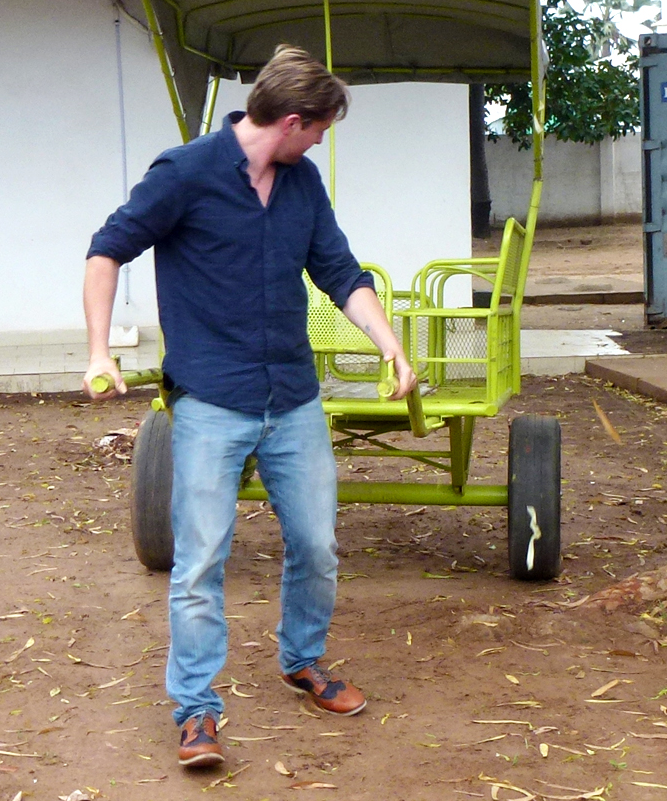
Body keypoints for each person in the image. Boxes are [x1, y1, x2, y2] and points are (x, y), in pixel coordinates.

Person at [82, 46, 417, 769]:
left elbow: (338, 269)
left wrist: (390, 345)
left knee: (318, 545)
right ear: (293, 122)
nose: (324, 140)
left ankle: (302, 659)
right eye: (321, 128)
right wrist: (99, 351)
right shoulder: (187, 174)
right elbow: (107, 250)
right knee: (200, 563)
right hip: (210, 400)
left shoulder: (301, 184)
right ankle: (197, 713)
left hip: (291, 397)